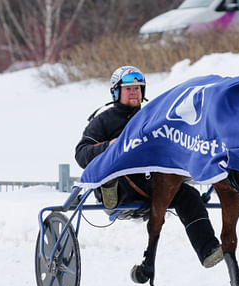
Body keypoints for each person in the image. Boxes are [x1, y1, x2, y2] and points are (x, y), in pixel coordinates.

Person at [75, 66, 223, 268]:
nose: (134, 92)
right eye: (129, 89)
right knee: (119, 172)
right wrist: (109, 147)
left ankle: (208, 250)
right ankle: (110, 192)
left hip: (154, 185)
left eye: (138, 88)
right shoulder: (103, 121)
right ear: (116, 92)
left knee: (189, 195)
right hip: (122, 186)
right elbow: (81, 154)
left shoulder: (151, 117)